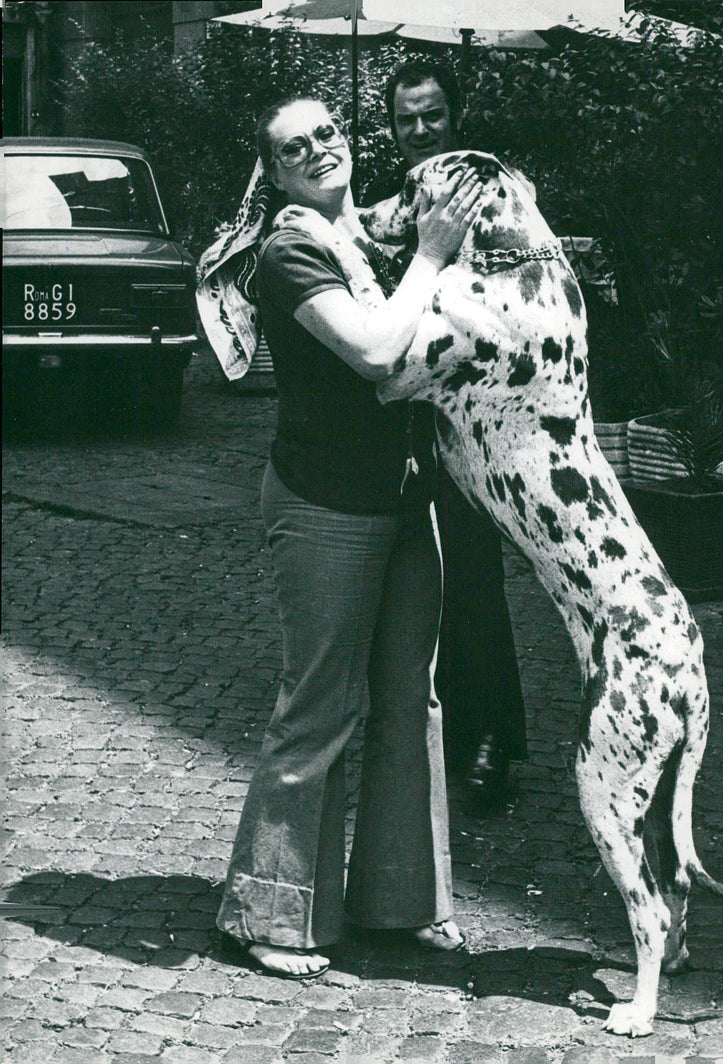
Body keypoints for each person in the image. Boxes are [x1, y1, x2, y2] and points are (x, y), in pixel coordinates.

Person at [212, 96, 483, 978]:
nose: (320, 149)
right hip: (324, 504)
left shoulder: (368, 241)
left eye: (328, 133)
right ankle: (269, 916)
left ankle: (398, 903)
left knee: (411, 704)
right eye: (297, 147)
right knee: (319, 705)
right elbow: (373, 350)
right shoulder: (287, 251)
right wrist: (433, 257)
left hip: (409, 502)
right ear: (277, 171)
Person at [362, 60, 528, 814]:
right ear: (392, 127)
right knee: (394, 579)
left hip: (465, 418)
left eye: (432, 116)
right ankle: (409, 733)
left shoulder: (493, 189)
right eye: (406, 119)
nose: (420, 130)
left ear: (455, 115)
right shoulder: (393, 203)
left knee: (471, 573)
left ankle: (491, 738)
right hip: (390, 418)